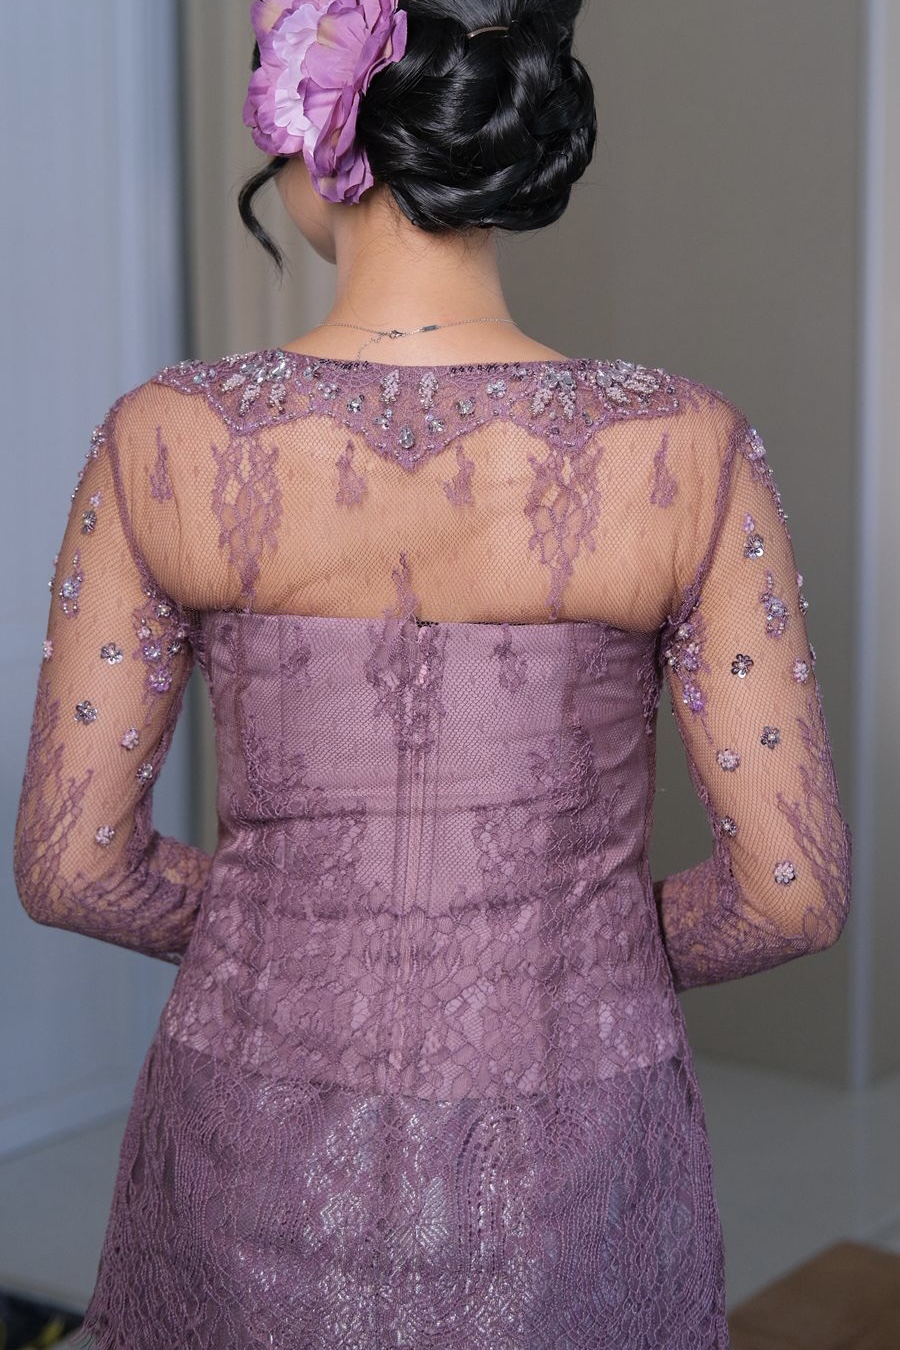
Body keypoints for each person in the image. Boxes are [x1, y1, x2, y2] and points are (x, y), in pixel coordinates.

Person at [14, 1, 852, 1346]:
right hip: (568, 1173)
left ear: (316, 139)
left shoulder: (166, 439)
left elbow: (71, 865)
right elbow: (790, 893)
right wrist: (564, 943)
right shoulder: (687, 448)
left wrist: (294, 925)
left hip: (252, 1153)